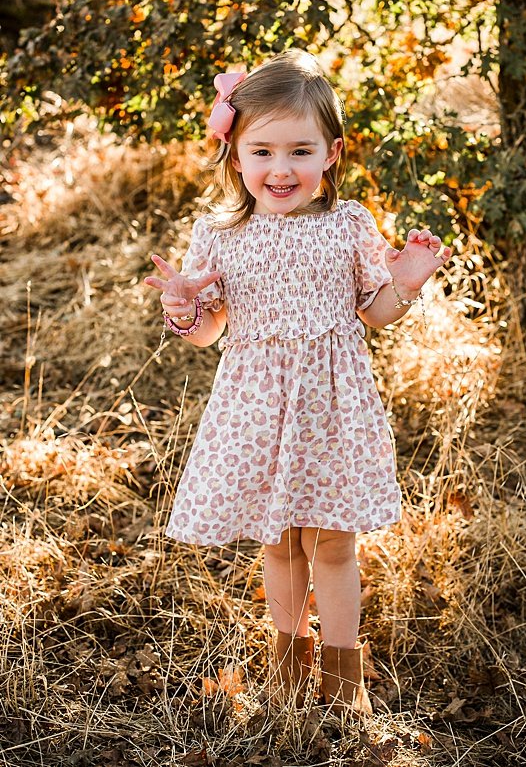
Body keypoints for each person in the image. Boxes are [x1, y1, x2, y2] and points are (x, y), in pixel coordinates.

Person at [143, 50, 451, 715]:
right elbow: (205, 332)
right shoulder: (220, 235)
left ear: (331, 153)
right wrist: (181, 304)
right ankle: (287, 670)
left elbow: (374, 313)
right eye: (262, 152)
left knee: (334, 543)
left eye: (299, 151)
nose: (280, 169)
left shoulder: (349, 224)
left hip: (333, 410)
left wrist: (406, 281)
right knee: (279, 544)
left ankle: (345, 687)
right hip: (258, 412)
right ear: (235, 156)